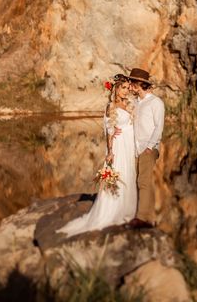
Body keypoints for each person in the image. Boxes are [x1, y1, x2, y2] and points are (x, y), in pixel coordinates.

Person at [57, 75, 137, 237]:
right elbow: (109, 130)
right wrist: (110, 151)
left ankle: (126, 208)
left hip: (129, 146)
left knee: (128, 175)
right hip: (119, 145)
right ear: (115, 89)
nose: (127, 91)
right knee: (118, 174)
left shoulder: (128, 104)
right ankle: (112, 210)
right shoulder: (111, 106)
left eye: (128, 88)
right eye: (123, 88)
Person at [125, 68, 164, 229]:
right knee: (140, 182)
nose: (130, 85)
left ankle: (141, 218)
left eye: (133, 82)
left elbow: (159, 127)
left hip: (149, 148)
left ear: (140, 84)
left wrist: (149, 147)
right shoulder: (135, 102)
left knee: (143, 181)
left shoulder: (156, 102)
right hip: (135, 147)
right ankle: (150, 217)